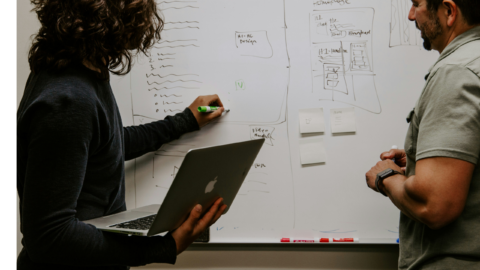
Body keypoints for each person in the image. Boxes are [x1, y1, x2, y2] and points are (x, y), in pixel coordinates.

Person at [17, 0, 227, 269]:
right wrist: (166, 246)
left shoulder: (80, 71)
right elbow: (50, 237)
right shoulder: (67, 99)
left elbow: (106, 145)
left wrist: (184, 121)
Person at [365, 0, 480, 269]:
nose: (410, 15)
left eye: (417, 4)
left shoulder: (455, 72)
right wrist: (420, 158)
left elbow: (435, 206)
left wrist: (385, 176)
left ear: (449, 12)